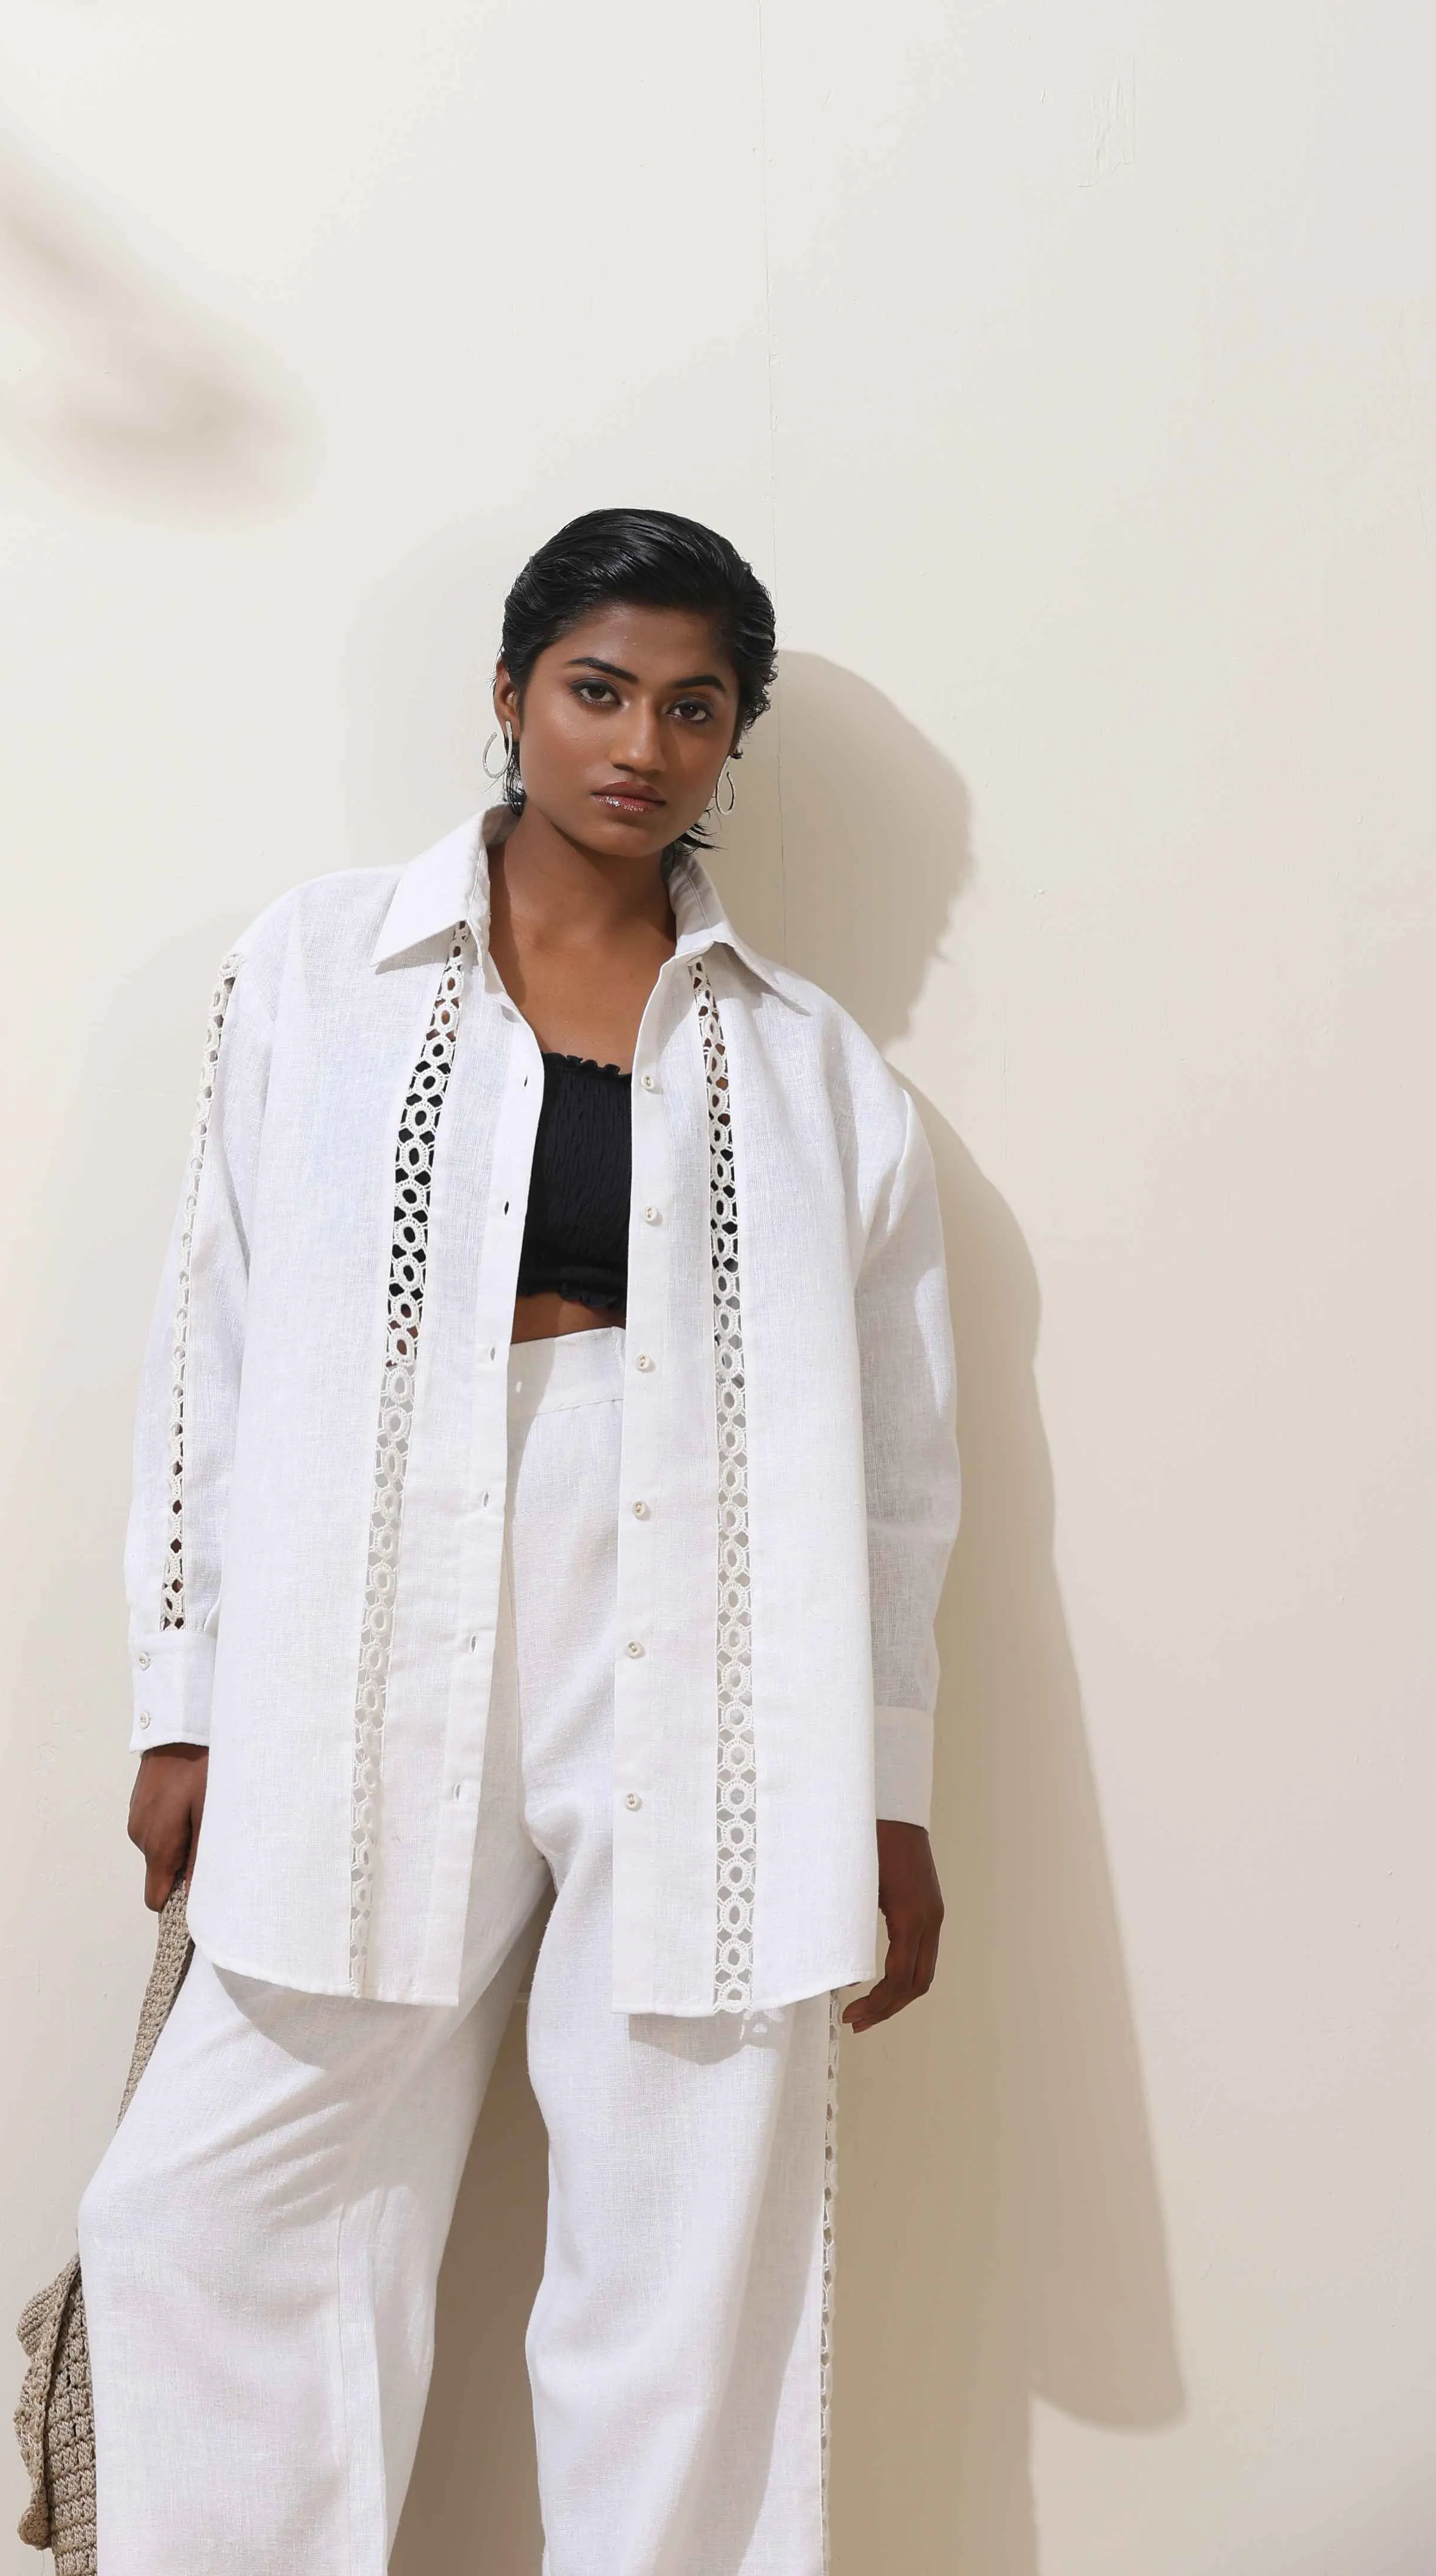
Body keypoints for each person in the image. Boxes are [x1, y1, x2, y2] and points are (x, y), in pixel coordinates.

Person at [77, 507, 960, 2575]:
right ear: (508, 695)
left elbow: (898, 1469)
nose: (640, 744)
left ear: (728, 742)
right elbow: (209, 1335)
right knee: (196, 2212)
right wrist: (185, 1691)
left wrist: (886, 1791)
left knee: (683, 2261)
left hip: (718, 1646)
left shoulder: (814, 1070)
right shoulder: (318, 970)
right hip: (369, 1624)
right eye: (597, 690)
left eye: (692, 707)